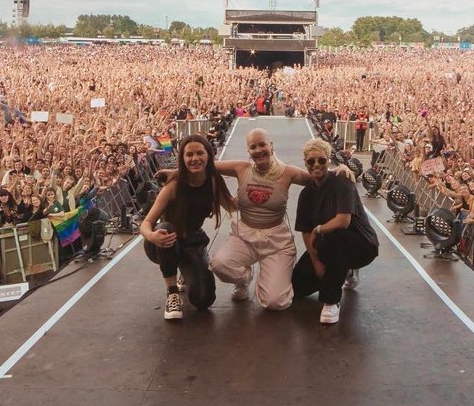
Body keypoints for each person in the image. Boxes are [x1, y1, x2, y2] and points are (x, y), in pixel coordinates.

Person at [208, 128, 353, 310]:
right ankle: (244, 279)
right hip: (244, 236)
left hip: (276, 241)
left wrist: (339, 170)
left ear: (271, 146)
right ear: (248, 151)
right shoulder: (240, 168)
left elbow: (318, 175)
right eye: (253, 147)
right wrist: (175, 174)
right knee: (219, 264)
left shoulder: (288, 173)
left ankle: (270, 277)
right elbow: (203, 165)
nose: (259, 150)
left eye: (262, 144)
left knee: (275, 303)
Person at [140, 134, 236, 321]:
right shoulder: (174, 185)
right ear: (182, 159)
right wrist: (152, 236)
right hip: (164, 243)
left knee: (203, 300)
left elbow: (232, 206)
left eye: (200, 153)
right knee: (167, 229)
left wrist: (254, 186)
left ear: (209, 155)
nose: (195, 158)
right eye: (189, 154)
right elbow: (146, 223)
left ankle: (186, 269)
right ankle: (172, 292)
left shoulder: (214, 182)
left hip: (193, 240)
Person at [292, 139, 379, 324]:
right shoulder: (306, 194)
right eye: (311, 161)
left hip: (359, 244)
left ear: (328, 160)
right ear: (305, 163)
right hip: (325, 245)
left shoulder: (342, 181)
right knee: (297, 286)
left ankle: (331, 301)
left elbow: (343, 221)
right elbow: (306, 232)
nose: (316, 165)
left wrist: (318, 229)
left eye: (321, 160)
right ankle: (345, 271)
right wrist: (315, 262)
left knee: (334, 237)